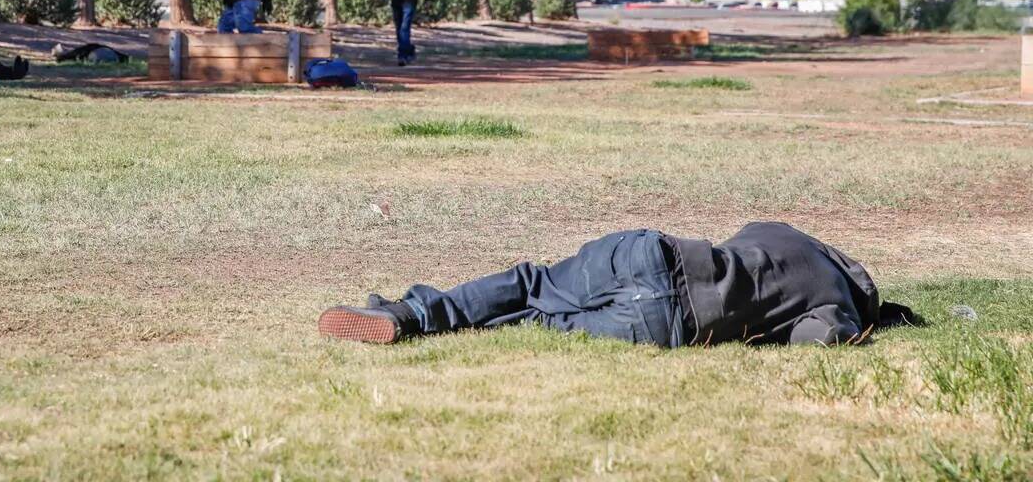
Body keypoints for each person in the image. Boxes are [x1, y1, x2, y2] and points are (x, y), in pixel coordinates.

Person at [319, 221, 917, 347]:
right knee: (541, 318)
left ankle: (410, 314)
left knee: (532, 283)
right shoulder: (837, 302)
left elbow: (740, 240)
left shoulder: (784, 233)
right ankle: (417, 324)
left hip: (648, 253)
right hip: (671, 323)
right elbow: (820, 339)